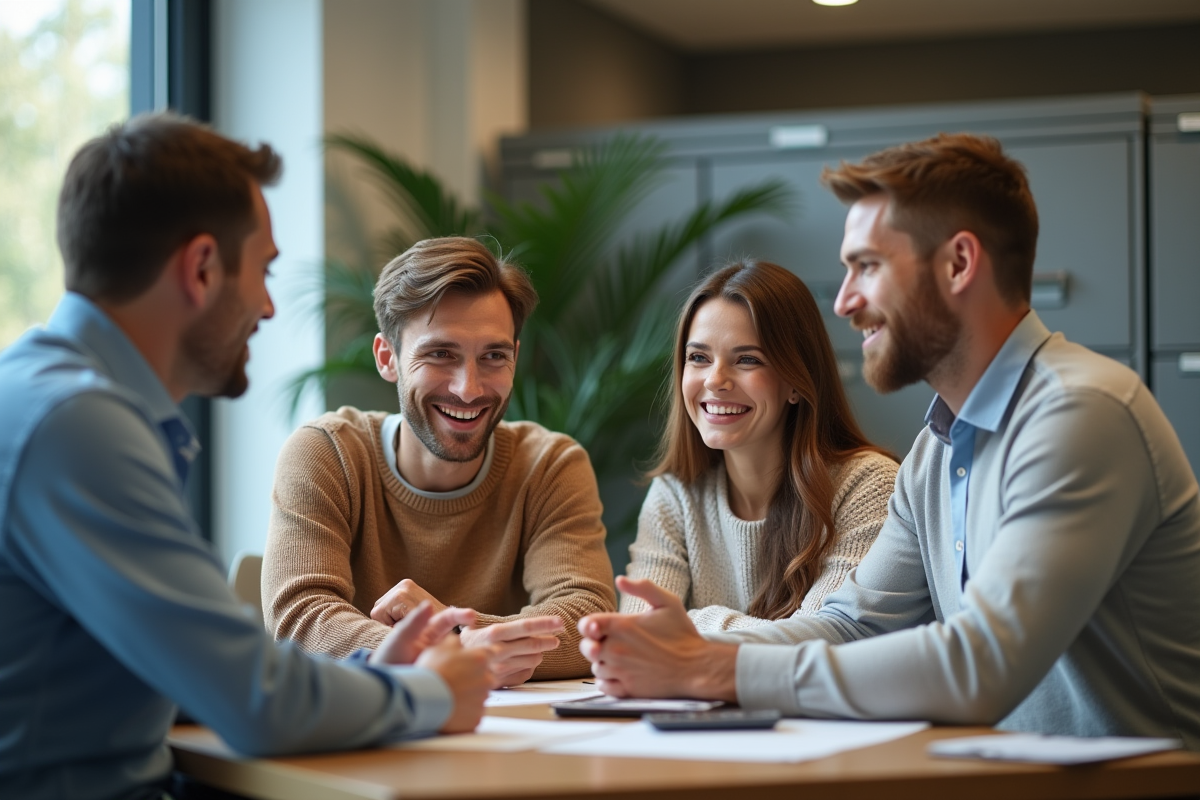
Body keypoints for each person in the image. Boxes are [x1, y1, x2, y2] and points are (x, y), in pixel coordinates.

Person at [577, 133, 1200, 746]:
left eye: (867, 267)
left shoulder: (1077, 413)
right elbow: (853, 626)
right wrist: (684, 645)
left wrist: (713, 666)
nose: (845, 302)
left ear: (959, 263)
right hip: (1005, 779)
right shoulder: (935, 450)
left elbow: (981, 666)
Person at [0, 114, 496, 800]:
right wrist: (430, 694)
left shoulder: (47, 397)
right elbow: (256, 699)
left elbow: (193, 672)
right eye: (262, 270)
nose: (267, 305)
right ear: (202, 267)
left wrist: (371, 678)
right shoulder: (77, 427)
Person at [263, 236, 616, 685]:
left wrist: (458, 633)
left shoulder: (550, 465)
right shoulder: (327, 454)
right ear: (387, 357)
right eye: (440, 355)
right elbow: (301, 618)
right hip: (368, 737)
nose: (468, 388)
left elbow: (586, 617)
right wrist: (449, 650)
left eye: (493, 357)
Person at [622, 260, 897, 631]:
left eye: (747, 359)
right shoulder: (676, 494)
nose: (716, 380)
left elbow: (820, 640)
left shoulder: (868, 487)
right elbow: (638, 634)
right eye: (699, 358)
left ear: (797, 381)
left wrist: (685, 627)